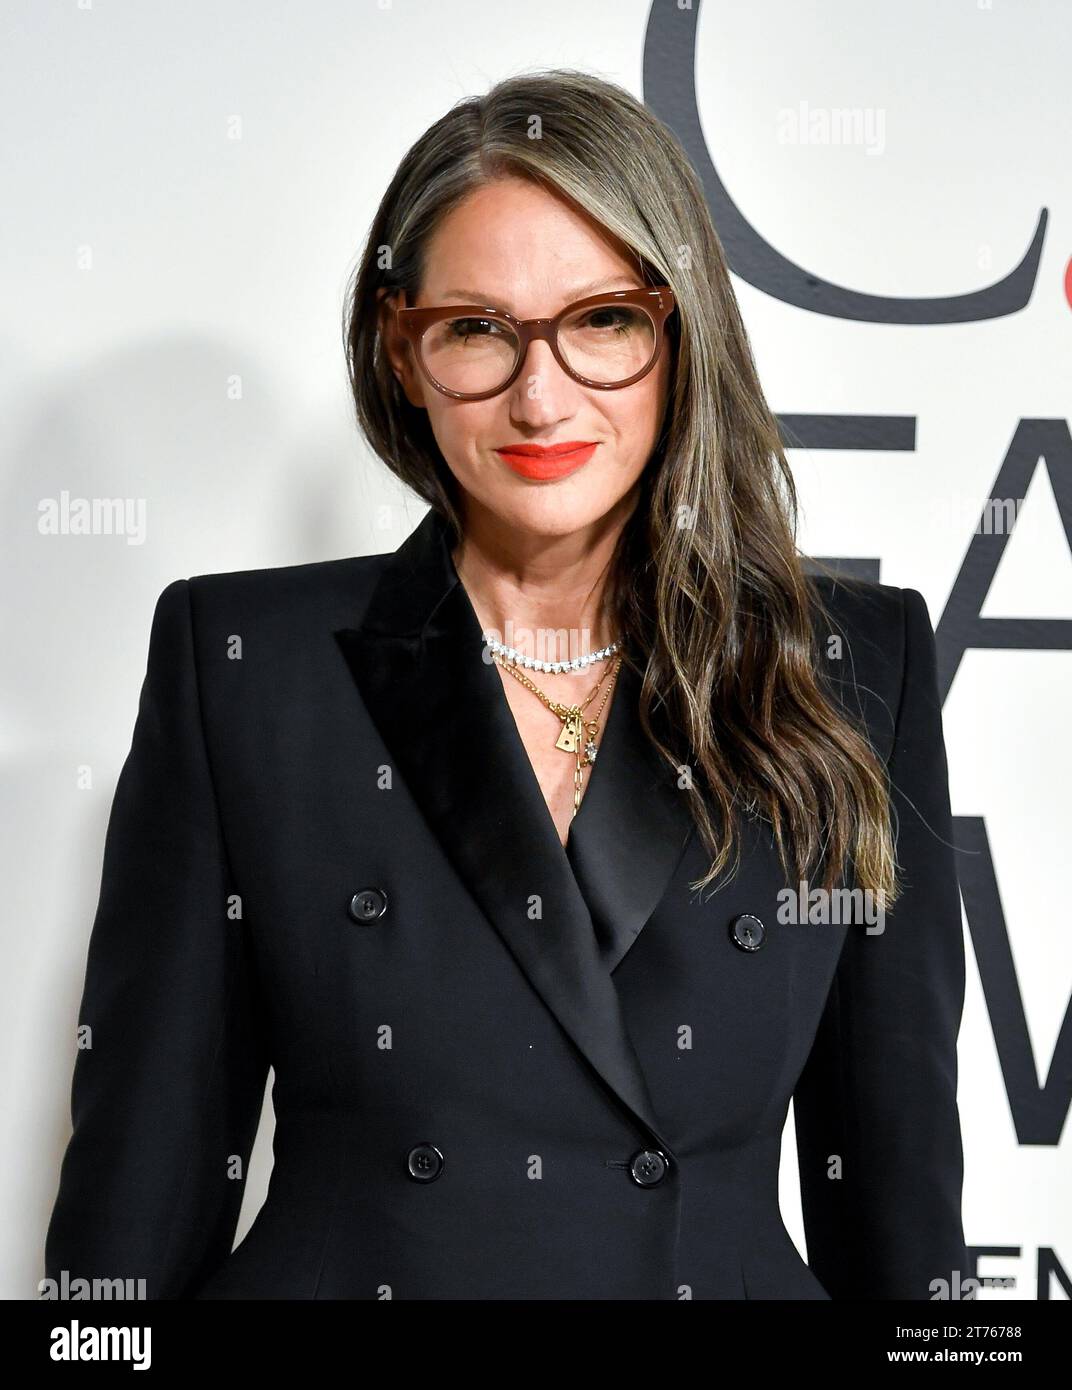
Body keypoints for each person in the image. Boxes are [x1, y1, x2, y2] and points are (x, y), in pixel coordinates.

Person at [43, 68, 968, 1301]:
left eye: (601, 320)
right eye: (476, 328)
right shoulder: (246, 665)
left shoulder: (849, 668)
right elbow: (132, 1219)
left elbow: (900, 1223)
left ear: (676, 333)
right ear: (402, 350)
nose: (540, 396)